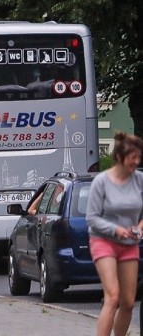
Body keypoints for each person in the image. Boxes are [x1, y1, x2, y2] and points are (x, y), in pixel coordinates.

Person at [86, 131, 143, 336]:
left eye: (139, 157)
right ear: (119, 157)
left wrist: (139, 228)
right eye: (132, 157)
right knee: (112, 296)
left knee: (128, 302)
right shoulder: (101, 182)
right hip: (103, 241)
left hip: (129, 243)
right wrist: (115, 229)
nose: (136, 162)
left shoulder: (139, 180)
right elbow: (91, 218)